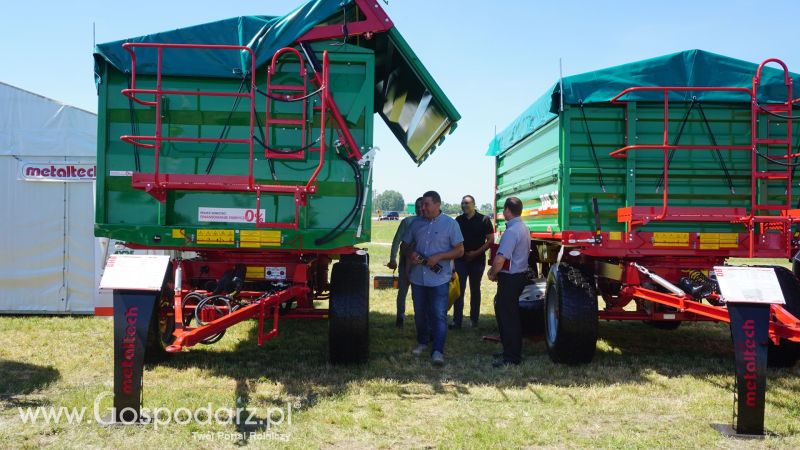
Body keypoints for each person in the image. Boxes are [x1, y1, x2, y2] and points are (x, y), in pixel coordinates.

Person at [402, 190, 464, 366]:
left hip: (439, 279)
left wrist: (439, 257)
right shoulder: (415, 224)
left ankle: (437, 350)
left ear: (437, 204)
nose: (423, 207)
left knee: (438, 314)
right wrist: (410, 253)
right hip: (417, 278)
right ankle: (422, 342)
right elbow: (404, 246)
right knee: (420, 314)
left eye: (426, 204)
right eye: (422, 204)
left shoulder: (450, 224)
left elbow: (460, 250)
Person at [487, 197, 530, 367]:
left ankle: (511, 357)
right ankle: (509, 351)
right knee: (509, 314)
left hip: (510, 278)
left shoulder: (511, 231)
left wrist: (492, 272)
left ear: (507, 210)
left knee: (508, 317)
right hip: (518, 276)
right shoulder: (523, 227)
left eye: (503, 210)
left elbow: (500, 259)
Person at [451, 195, 494, 329]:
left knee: (475, 289)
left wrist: (476, 253)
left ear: (474, 204)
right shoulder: (458, 220)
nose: (464, 205)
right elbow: (453, 240)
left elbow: (491, 240)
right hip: (461, 260)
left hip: (477, 260)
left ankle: (474, 319)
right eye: (462, 203)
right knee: (459, 289)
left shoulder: (484, 219)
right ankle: (457, 320)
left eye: (467, 203)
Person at [387, 197, 423, 327]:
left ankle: (418, 318)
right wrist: (392, 258)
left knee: (418, 294)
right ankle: (400, 317)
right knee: (402, 291)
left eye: (422, 206)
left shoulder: (430, 222)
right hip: (405, 263)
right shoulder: (407, 221)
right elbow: (397, 241)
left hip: (420, 265)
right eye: (418, 206)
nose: (420, 209)